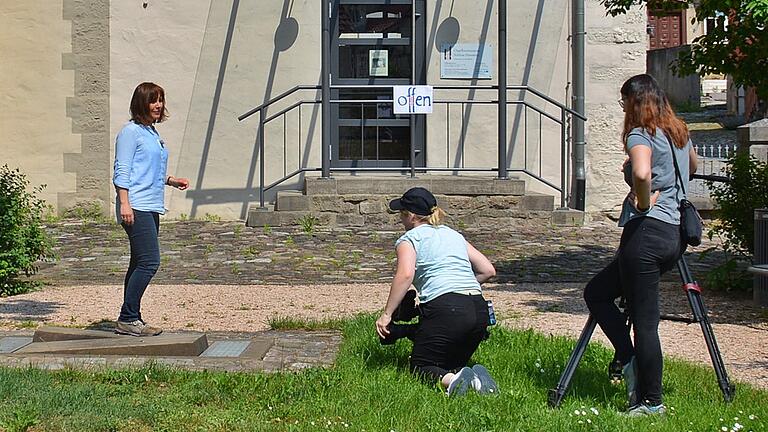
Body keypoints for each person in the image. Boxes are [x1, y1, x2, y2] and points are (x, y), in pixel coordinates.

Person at [583, 74, 698, 416]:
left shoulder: (640, 134)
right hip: (674, 235)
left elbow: (643, 174)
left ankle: (650, 399)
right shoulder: (678, 131)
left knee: (644, 322)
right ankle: (630, 360)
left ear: (633, 103)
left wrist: (643, 202)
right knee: (599, 292)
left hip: (646, 233)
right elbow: (690, 167)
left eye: (623, 103)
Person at [375, 187, 498, 396]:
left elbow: (405, 275)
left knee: (420, 366)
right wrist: (461, 285)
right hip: (479, 310)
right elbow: (488, 271)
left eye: (402, 214)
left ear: (411, 215)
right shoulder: (454, 235)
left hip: (447, 309)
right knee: (448, 363)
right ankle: (476, 381)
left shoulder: (410, 239)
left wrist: (386, 315)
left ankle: (452, 382)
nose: (401, 220)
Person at [112, 82, 189, 337]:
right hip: (136, 206)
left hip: (150, 204)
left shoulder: (151, 133)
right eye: (153, 100)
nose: (158, 105)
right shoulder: (130, 132)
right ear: (141, 103)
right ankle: (128, 317)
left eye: (160, 100)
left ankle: (132, 317)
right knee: (149, 262)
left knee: (138, 262)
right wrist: (124, 203)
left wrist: (170, 180)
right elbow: (122, 170)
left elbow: (146, 170)